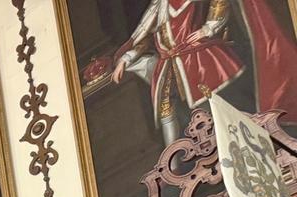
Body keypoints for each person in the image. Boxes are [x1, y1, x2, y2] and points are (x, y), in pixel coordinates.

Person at [110, 0, 297, 148]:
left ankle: (258, 144)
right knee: (167, 113)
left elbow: (219, 3)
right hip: (169, 66)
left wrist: (208, 28)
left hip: (199, 60)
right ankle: (172, 168)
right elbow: (146, 38)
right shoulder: (158, 6)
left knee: (220, 108)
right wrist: (126, 58)